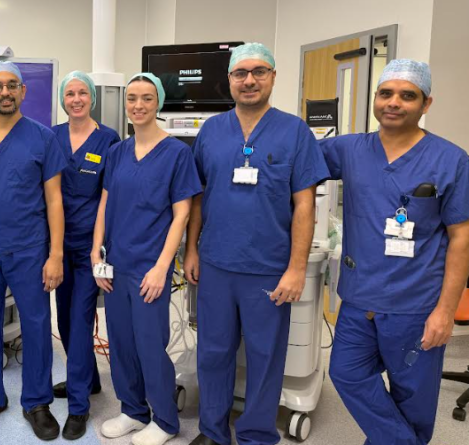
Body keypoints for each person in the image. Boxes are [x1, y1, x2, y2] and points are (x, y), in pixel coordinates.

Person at [183, 43, 330, 445]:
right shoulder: (212, 131)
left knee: (266, 356)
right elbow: (198, 198)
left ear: (273, 77)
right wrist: (191, 249)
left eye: (259, 71)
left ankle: (257, 434)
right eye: (240, 73)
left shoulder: (295, 132)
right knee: (213, 351)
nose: (249, 80)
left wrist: (296, 268)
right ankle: (213, 431)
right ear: (229, 80)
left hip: (268, 266)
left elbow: (304, 206)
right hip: (216, 262)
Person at [321, 59, 469, 445]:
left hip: (416, 304)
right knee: (346, 373)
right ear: (375, 98)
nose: (394, 102)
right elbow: (292, 160)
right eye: (386, 93)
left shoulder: (451, 160)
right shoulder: (349, 149)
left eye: (408, 96)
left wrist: (445, 312)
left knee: (412, 399)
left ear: (426, 103)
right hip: (359, 299)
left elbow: (462, 239)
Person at [93, 73, 201, 445]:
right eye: (132, 98)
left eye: (147, 98)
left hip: (149, 267)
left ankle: (166, 420)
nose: (138, 105)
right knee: (121, 342)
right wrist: (96, 252)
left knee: (150, 344)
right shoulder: (117, 152)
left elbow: (182, 214)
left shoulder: (177, 154)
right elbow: (105, 204)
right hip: (116, 263)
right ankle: (133, 411)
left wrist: (161, 267)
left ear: (159, 103)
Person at [0, 61, 67, 441]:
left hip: (28, 249)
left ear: (23, 91)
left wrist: (56, 255)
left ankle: (36, 401)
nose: (4, 92)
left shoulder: (42, 138)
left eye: (12, 85)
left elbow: (54, 200)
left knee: (36, 325)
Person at [50, 70, 120, 440]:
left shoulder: (108, 139)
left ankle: (79, 406)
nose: (76, 99)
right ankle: (89, 380)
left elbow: (110, 198)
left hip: (92, 246)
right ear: (63, 99)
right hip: (58, 245)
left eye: (82, 93)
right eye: (70, 93)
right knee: (64, 320)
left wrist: (99, 251)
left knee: (79, 323)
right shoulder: (52, 136)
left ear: (92, 97)